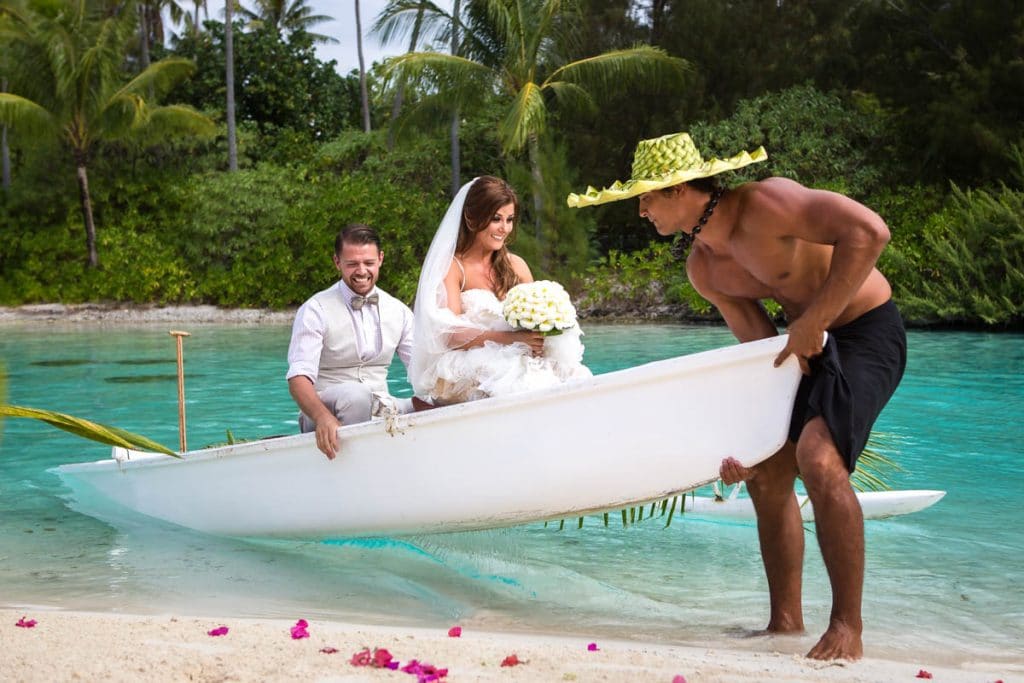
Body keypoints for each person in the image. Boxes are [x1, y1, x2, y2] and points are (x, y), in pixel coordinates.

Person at [567, 132, 906, 661]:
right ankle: (785, 623)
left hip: (867, 331)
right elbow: (762, 356)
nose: (640, 210)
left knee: (819, 459)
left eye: (647, 196)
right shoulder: (704, 269)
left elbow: (870, 232)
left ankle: (847, 627)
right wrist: (749, 442)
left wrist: (815, 320)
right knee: (768, 473)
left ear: (679, 190)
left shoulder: (770, 203)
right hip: (801, 349)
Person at [409, 176, 591, 405]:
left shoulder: (516, 266)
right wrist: (509, 339)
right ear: (471, 217)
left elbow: (536, 319)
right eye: (496, 219)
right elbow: (448, 334)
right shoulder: (452, 268)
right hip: (471, 361)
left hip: (520, 354)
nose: (504, 228)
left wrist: (543, 335)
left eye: (509, 219)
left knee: (573, 376)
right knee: (519, 383)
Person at [286, 224, 415, 459]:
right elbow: (298, 379)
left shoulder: (399, 310)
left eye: (368, 262)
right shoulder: (315, 309)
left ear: (381, 259)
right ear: (337, 262)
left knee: (431, 402)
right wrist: (322, 416)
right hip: (323, 412)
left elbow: (420, 368)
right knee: (355, 395)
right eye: (352, 264)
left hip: (381, 405)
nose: (362, 271)